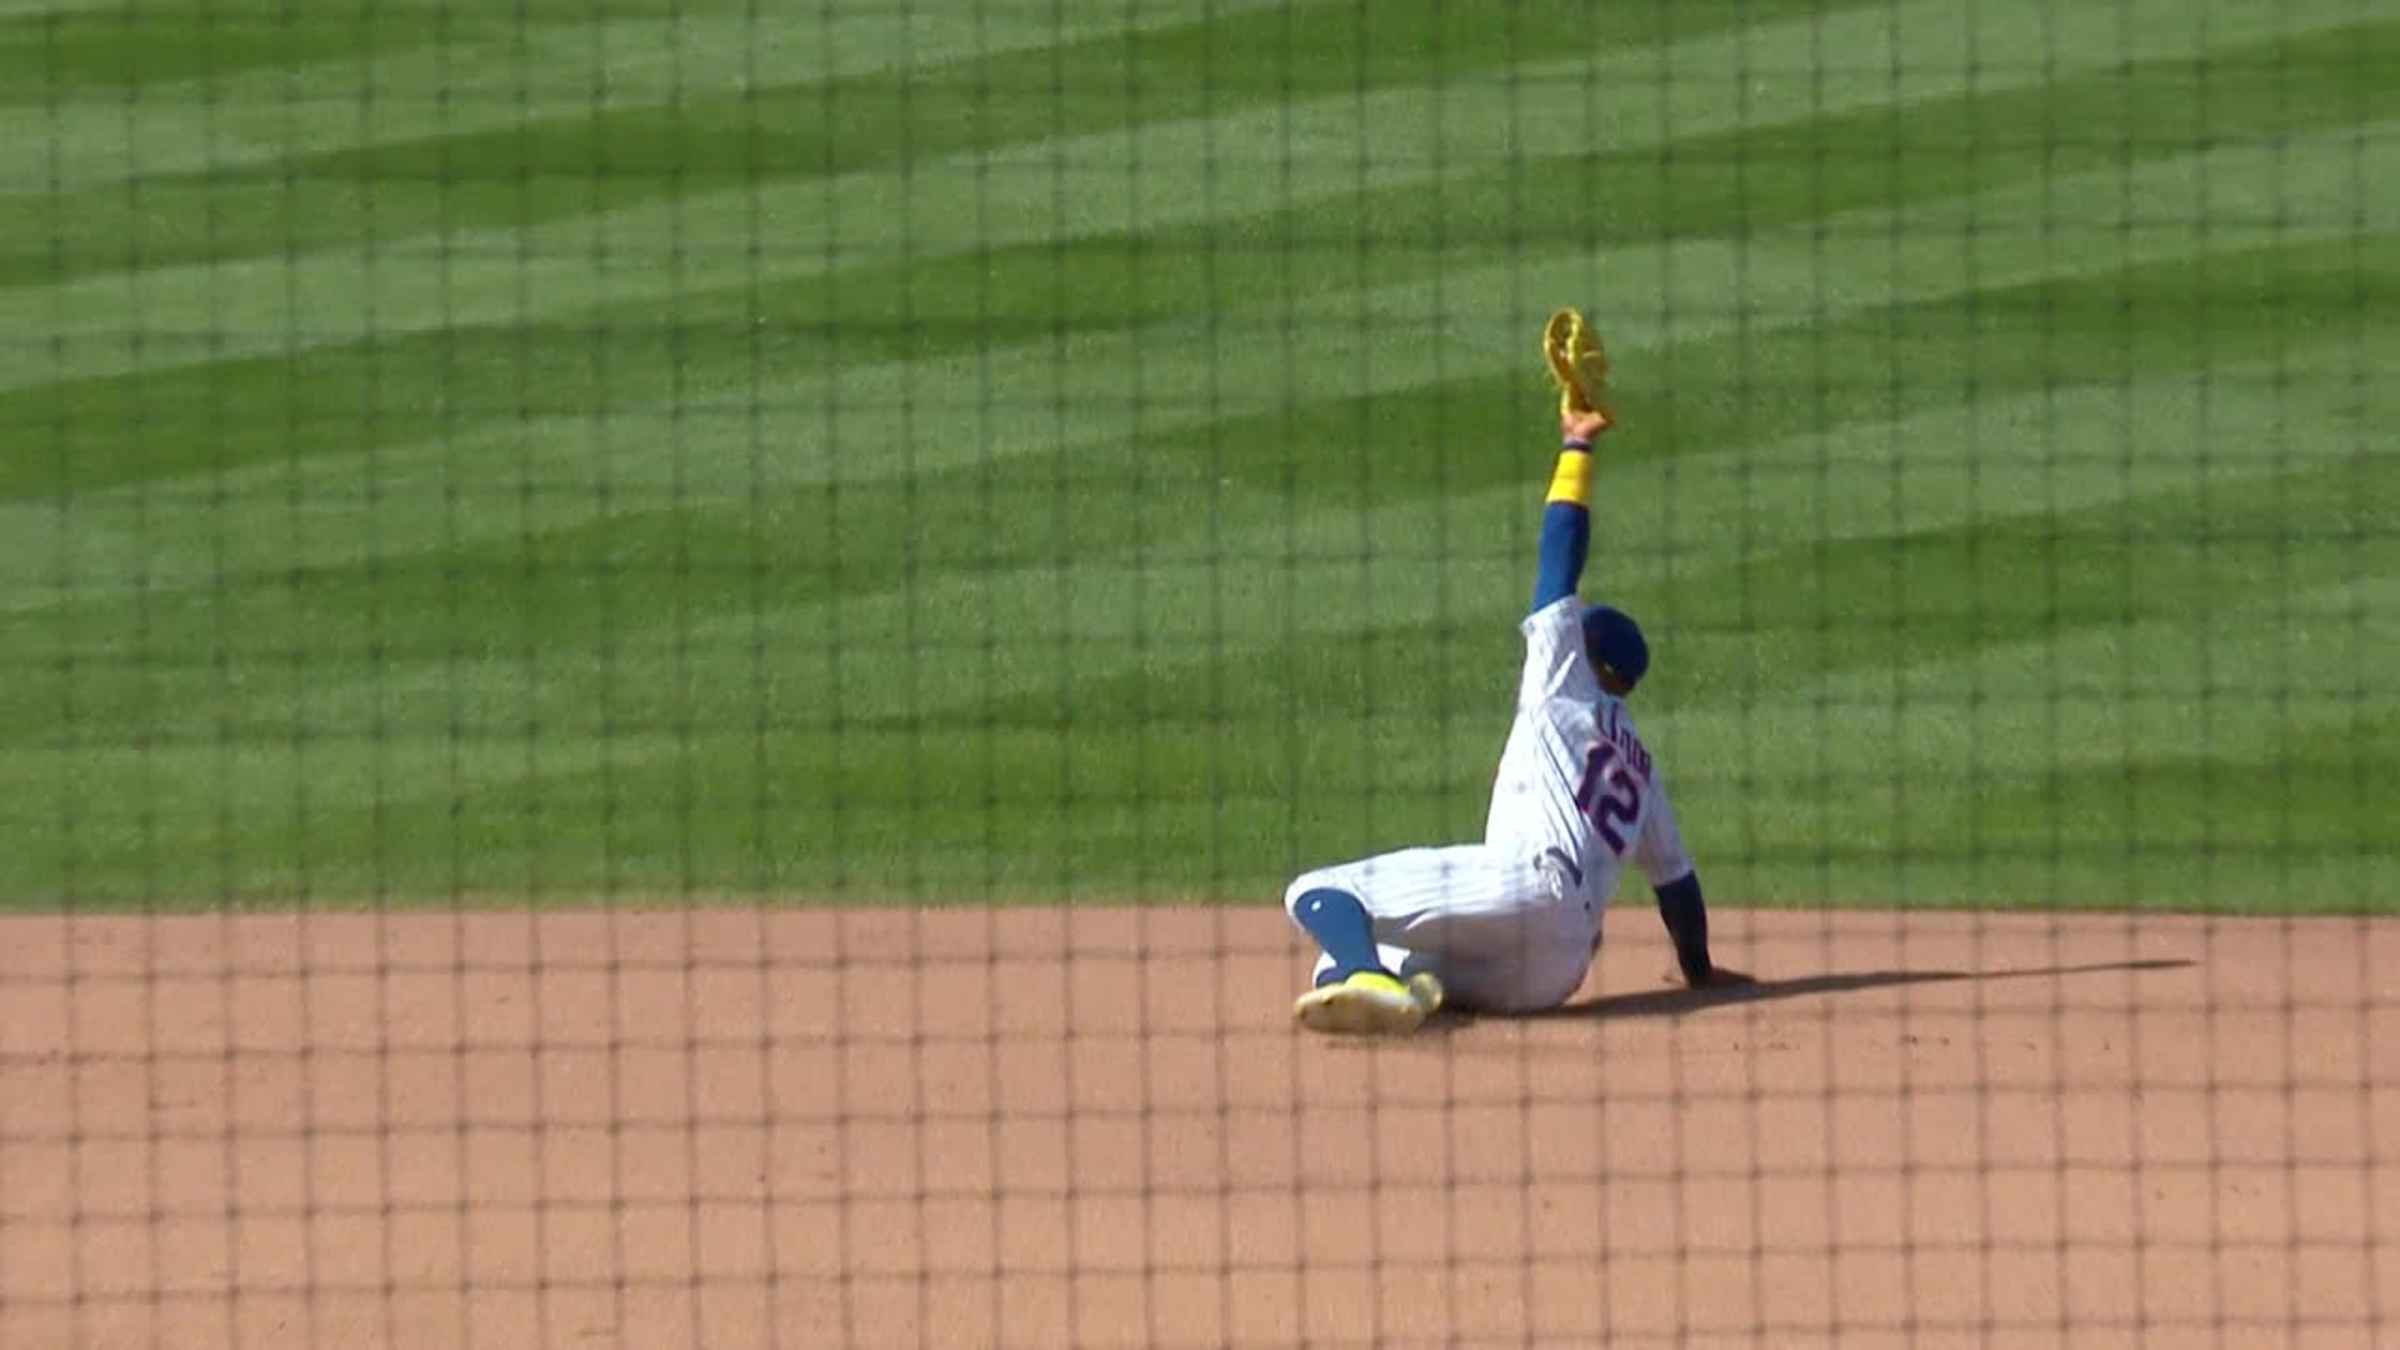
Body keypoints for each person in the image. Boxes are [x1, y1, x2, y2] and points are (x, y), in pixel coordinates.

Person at [1285, 310, 1750, 1035]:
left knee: (1319, 895)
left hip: (1526, 889)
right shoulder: (1641, 768)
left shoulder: (1563, 682)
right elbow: (1678, 890)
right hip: (1554, 974)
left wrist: (1576, 446)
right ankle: (1399, 987)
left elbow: (1558, 556)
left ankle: (1374, 976)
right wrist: (1699, 971)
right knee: (1335, 968)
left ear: (1585, 656)